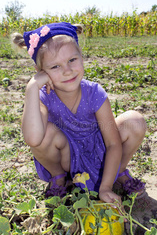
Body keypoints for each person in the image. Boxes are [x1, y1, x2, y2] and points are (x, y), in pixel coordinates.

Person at [12, 22, 147, 204]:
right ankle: (59, 177)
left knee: (135, 121)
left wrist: (105, 188)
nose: (67, 71)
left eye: (72, 60)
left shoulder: (94, 93)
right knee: (45, 134)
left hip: (101, 153)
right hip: (68, 156)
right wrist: (32, 88)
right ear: (40, 72)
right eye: (55, 67)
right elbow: (33, 139)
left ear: (81, 57)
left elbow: (113, 143)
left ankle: (118, 172)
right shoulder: (44, 98)